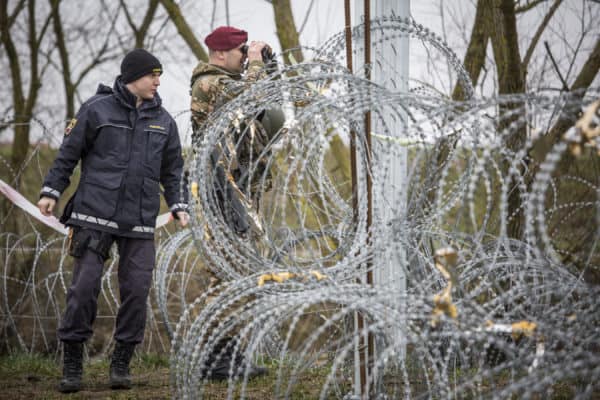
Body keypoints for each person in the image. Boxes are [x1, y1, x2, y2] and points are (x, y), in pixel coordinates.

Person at [38, 48, 189, 393]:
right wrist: (51, 191)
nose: (158, 80)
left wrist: (178, 203)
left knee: (137, 291)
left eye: (159, 74)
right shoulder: (95, 110)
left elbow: (173, 170)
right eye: (152, 74)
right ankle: (73, 362)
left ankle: (121, 362)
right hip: (94, 214)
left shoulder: (164, 121)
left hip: (139, 220)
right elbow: (68, 155)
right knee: (84, 289)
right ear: (132, 76)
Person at [189, 26, 283, 380]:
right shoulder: (209, 83)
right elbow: (248, 98)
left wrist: (269, 67)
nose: (246, 58)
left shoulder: (232, 82)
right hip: (219, 192)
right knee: (221, 275)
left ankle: (229, 353)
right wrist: (256, 65)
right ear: (220, 54)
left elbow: (269, 108)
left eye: (248, 52)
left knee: (237, 276)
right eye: (242, 52)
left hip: (239, 190)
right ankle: (216, 356)